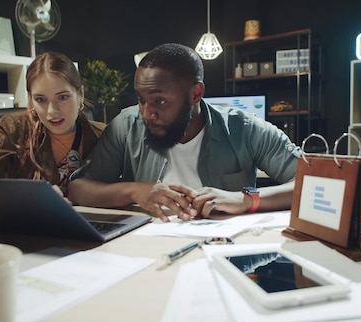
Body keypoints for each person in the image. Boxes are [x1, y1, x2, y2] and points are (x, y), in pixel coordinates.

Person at [68, 43, 300, 221]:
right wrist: (135, 191)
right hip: (147, 254)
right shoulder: (127, 125)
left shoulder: (244, 129)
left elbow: (315, 183)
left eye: (159, 101)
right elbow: (79, 188)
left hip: (222, 251)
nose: (147, 113)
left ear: (195, 93)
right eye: (141, 100)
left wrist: (246, 199)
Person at [0, 52, 105, 196]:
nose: (52, 111)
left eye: (63, 97)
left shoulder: (103, 135)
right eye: (41, 100)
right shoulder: (12, 129)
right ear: (31, 99)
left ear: (81, 95)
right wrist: (30, 196)